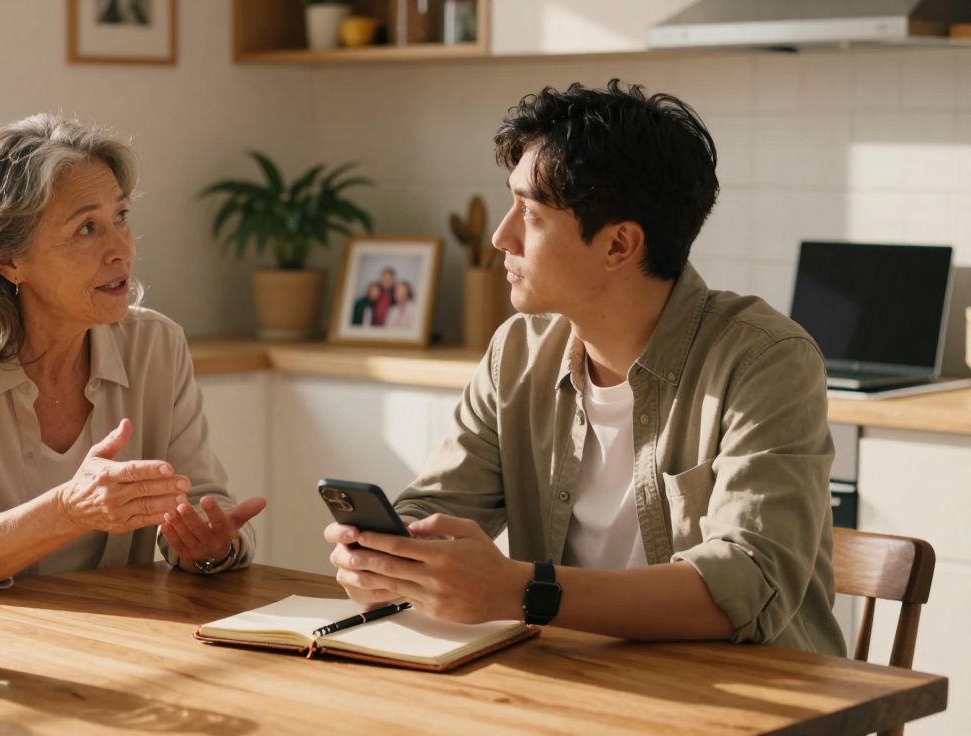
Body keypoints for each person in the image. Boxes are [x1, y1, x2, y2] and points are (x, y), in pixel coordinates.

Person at [324, 80, 846, 655]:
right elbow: (435, 506)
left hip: (751, 702)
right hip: (575, 691)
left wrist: (522, 592)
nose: (502, 236)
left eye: (529, 212)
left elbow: (747, 582)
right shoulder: (517, 352)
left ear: (619, 245)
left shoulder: (764, 359)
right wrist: (384, 554)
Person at [0, 114, 265, 597]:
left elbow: (203, 504)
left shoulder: (156, 346)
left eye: (120, 217)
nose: (121, 249)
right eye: (86, 229)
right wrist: (69, 510)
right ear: (9, 260)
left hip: (109, 642)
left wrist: (210, 546)